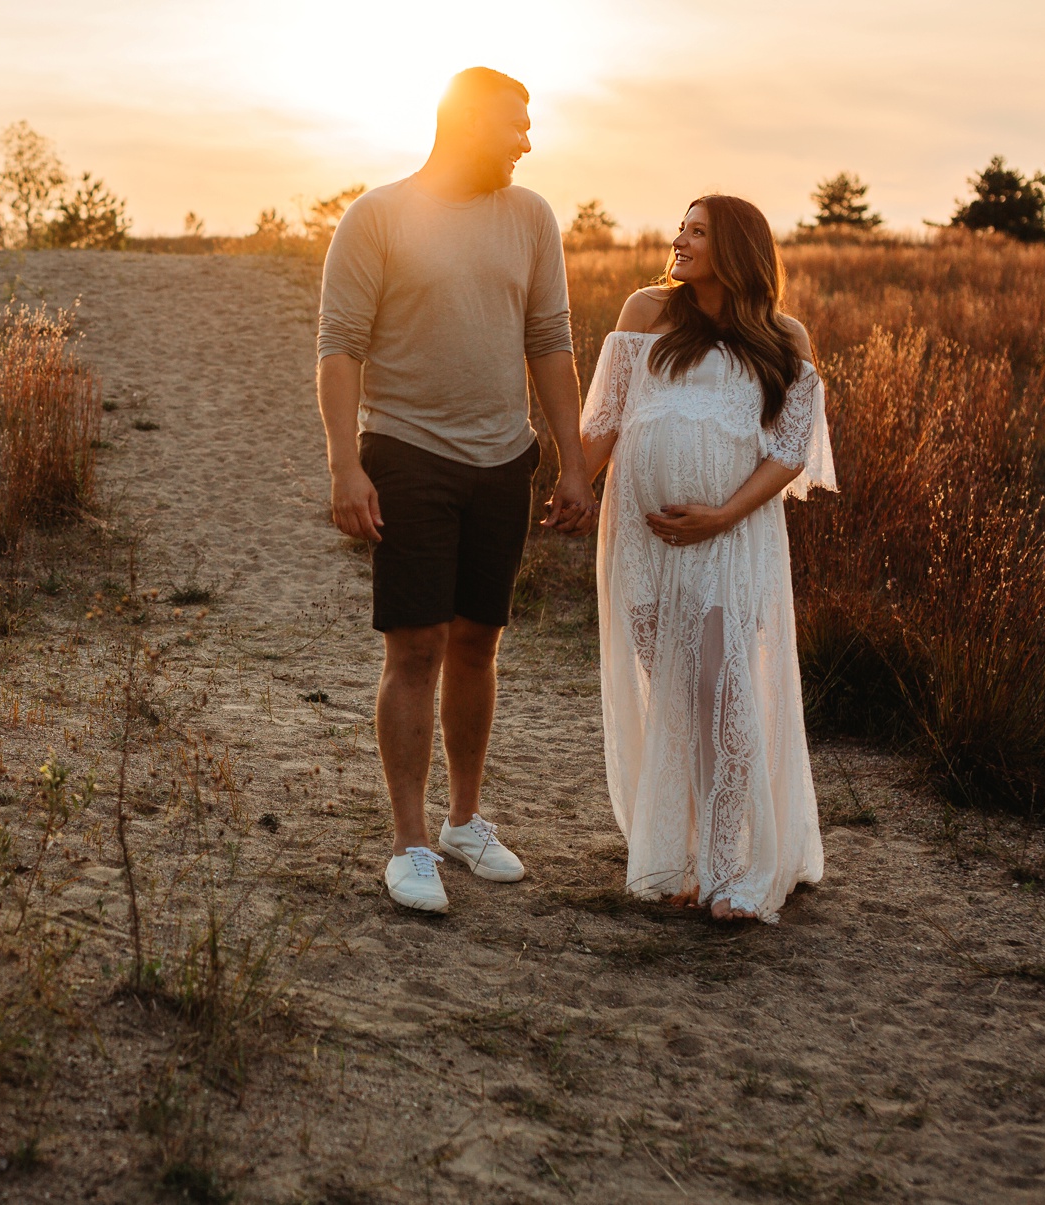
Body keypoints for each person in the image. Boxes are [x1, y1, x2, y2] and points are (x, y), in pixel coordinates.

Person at [316, 67, 596, 915]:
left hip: (502, 459)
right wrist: (344, 463)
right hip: (407, 452)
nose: (527, 138)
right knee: (417, 648)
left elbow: (550, 340)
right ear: (466, 123)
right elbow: (339, 347)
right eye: (516, 123)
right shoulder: (378, 217)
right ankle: (408, 842)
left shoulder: (531, 217)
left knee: (479, 643)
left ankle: (464, 822)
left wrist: (572, 461)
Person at [578, 195, 836, 922]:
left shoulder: (784, 337)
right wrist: (574, 482)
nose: (679, 239)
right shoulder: (646, 311)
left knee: (720, 692)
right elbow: (604, 422)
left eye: (697, 230)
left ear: (737, 247)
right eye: (680, 228)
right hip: (643, 541)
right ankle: (691, 855)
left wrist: (722, 512)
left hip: (730, 539)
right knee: (677, 693)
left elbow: (789, 449)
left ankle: (731, 870)